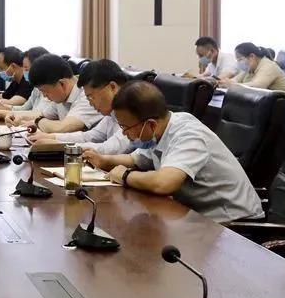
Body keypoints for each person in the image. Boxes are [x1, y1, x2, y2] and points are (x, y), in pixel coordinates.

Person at [82, 81, 264, 223]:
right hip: (199, 216)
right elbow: (134, 159)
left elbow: (164, 183)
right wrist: (104, 160)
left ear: (151, 124)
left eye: (126, 127)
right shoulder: (160, 130)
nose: (124, 133)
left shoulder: (189, 134)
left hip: (235, 224)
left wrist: (125, 175)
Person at [28, 59, 132, 154]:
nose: (90, 103)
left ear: (112, 87)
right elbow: (89, 136)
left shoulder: (133, 111)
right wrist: (52, 137)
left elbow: (110, 148)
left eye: (91, 97)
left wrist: (59, 146)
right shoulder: (111, 114)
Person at [6, 54, 102, 133]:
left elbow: (62, 128)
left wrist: (38, 121)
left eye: (45, 91)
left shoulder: (88, 97)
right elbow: (42, 114)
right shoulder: (61, 97)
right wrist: (15, 115)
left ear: (62, 84)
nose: (44, 96)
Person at [0, 46, 49, 121]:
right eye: (23, 68)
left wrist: (2, 113)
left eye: (26, 69)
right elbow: (24, 108)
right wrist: (2, 107)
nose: (23, 71)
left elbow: (41, 115)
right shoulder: (36, 89)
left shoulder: (50, 90)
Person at [218, 42, 285, 92]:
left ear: (252, 56)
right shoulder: (249, 68)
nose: (239, 63)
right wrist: (225, 83)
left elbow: (257, 87)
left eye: (240, 59)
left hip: (282, 105)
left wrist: (232, 86)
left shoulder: (269, 66)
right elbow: (235, 81)